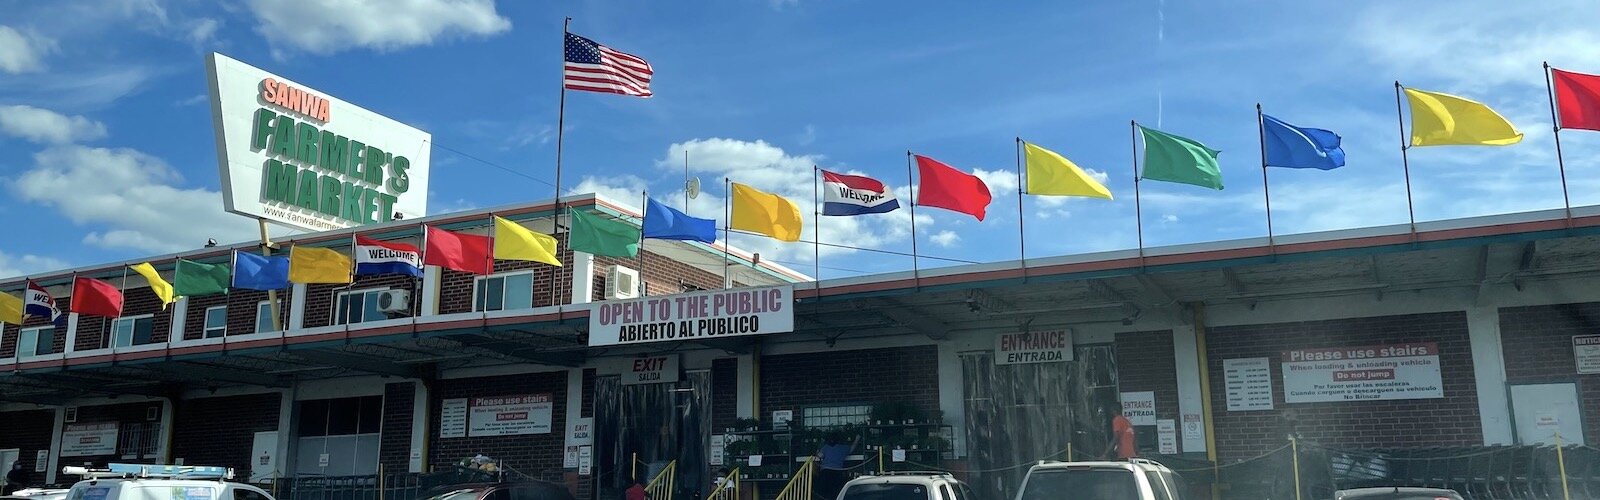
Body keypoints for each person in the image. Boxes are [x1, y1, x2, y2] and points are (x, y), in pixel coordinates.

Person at [816, 431, 859, 500]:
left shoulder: (826, 447)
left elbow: (819, 455)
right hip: (838, 473)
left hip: (826, 473)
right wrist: (857, 439)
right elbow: (852, 448)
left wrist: (818, 448)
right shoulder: (844, 448)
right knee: (836, 493)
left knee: (823, 493)